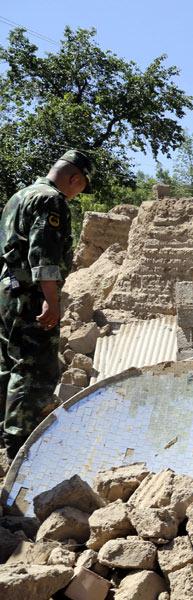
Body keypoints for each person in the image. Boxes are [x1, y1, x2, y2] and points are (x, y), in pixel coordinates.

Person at [0, 150, 94, 459]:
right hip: (30, 295)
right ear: (74, 178)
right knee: (35, 369)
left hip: (8, 291)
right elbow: (44, 255)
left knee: (10, 365)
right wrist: (51, 301)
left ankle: (6, 435)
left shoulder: (19, 196)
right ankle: (20, 448)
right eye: (80, 187)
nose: (77, 194)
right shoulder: (51, 200)